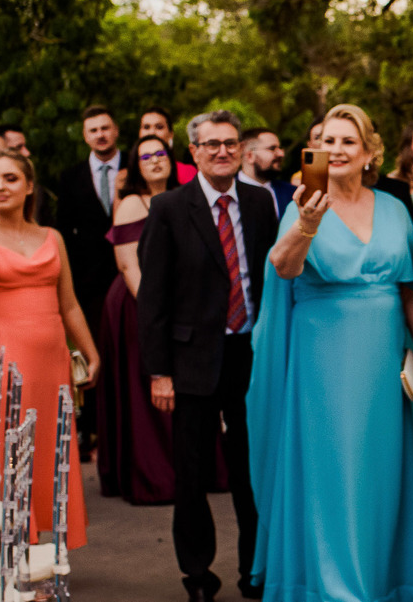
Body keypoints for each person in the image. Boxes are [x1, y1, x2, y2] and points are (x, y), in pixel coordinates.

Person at [248, 103, 413, 602]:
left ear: (369, 152)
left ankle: (383, 581)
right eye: (328, 141)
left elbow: (412, 287)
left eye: (348, 141)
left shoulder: (392, 207)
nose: (336, 150)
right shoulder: (305, 202)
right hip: (322, 361)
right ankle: (333, 588)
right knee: (332, 471)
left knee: (380, 472)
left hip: (382, 360)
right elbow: (281, 268)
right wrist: (306, 224)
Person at [137, 111, 278, 601]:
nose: (223, 151)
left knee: (251, 473)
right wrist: (159, 372)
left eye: (231, 143)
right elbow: (152, 296)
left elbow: (269, 282)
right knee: (192, 475)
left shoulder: (261, 204)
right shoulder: (170, 209)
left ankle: (254, 571)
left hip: (249, 355)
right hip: (190, 360)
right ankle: (198, 575)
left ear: (241, 150)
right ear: (193, 152)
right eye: (212, 144)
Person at [0, 149, 99, 548]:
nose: (1, 186)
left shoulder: (51, 237)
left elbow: (68, 303)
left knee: (51, 452)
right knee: (11, 453)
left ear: (29, 186)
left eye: (11, 178)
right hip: (5, 363)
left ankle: (46, 556)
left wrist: (90, 351)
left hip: (52, 366)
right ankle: (17, 555)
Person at [98, 134, 180, 504]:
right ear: (136, 165)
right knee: (144, 386)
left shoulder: (184, 196)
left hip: (178, 305)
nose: (155, 160)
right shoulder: (131, 203)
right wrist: (155, 312)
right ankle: (152, 474)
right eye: (145, 155)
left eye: (160, 153)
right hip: (138, 304)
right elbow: (128, 265)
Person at [57, 104, 124, 459]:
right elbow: (64, 233)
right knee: (93, 358)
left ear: (116, 131)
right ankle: (92, 433)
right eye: (93, 130)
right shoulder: (70, 177)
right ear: (85, 136)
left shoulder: (133, 168)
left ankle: (127, 432)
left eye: (105, 127)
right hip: (88, 284)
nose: (100, 134)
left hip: (132, 276)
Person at [239, 127, 295, 218]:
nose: (281, 154)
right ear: (250, 156)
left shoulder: (293, 193)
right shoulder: (228, 194)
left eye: (280, 148)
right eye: (272, 149)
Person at [140, 106, 198, 183]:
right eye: (146, 127)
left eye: (159, 127)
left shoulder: (187, 172)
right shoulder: (126, 175)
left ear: (171, 134)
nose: (152, 132)